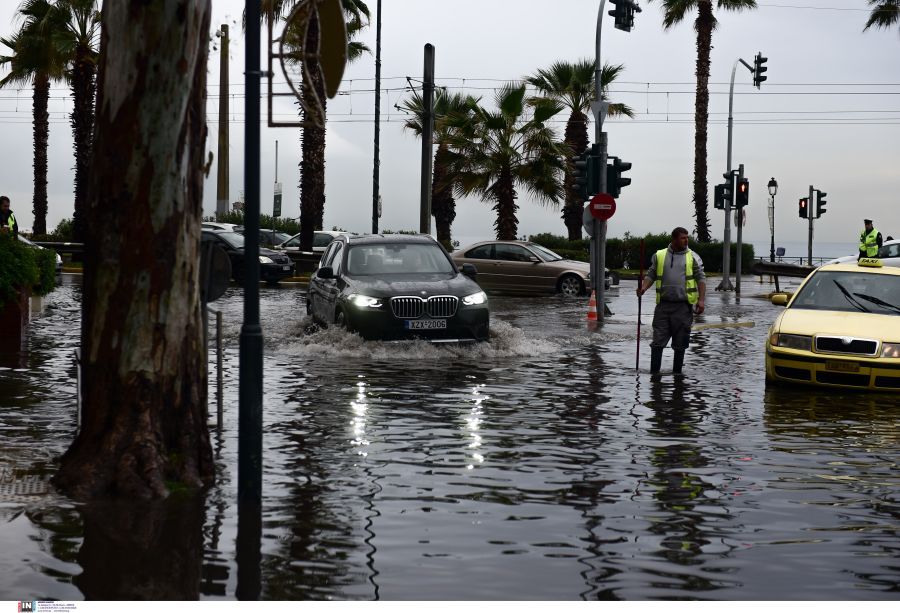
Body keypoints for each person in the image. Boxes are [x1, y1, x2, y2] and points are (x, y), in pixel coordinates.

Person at [636, 227, 706, 374]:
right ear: (674, 239)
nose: (686, 240)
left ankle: (677, 376)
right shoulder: (660, 255)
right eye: (683, 238)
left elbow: (701, 278)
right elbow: (651, 274)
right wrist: (643, 288)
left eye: (687, 237)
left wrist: (701, 300)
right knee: (657, 342)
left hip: (683, 307)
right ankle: (654, 376)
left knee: (680, 344)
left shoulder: (693, 257)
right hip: (663, 306)